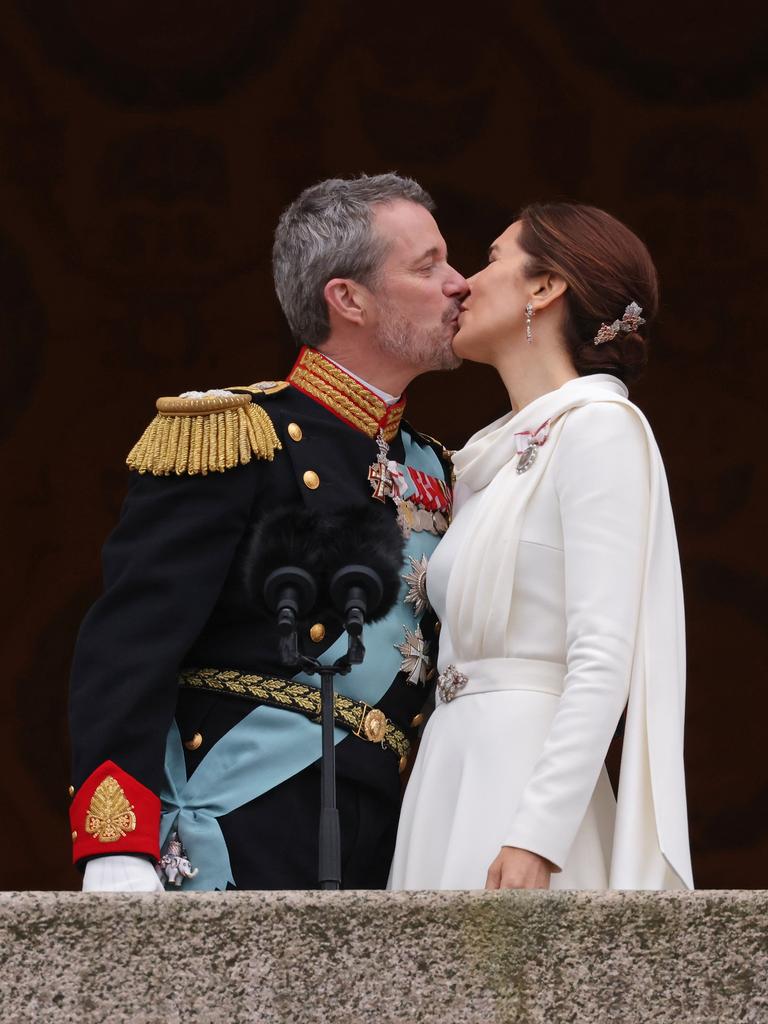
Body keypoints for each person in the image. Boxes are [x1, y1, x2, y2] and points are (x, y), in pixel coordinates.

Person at [68, 172, 469, 891]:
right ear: (348, 298)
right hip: (243, 828)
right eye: (428, 265)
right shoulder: (234, 436)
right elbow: (128, 646)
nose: (459, 284)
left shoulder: (435, 464)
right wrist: (115, 843)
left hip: (396, 844)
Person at [389, 202, 694, 891]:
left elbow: (602, 655)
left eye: (493, 258)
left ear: (544, 286)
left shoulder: (600, 429)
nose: (465, 281)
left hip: (524, 783)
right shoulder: (488, 459)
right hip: (448, 767)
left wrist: (537, 836)